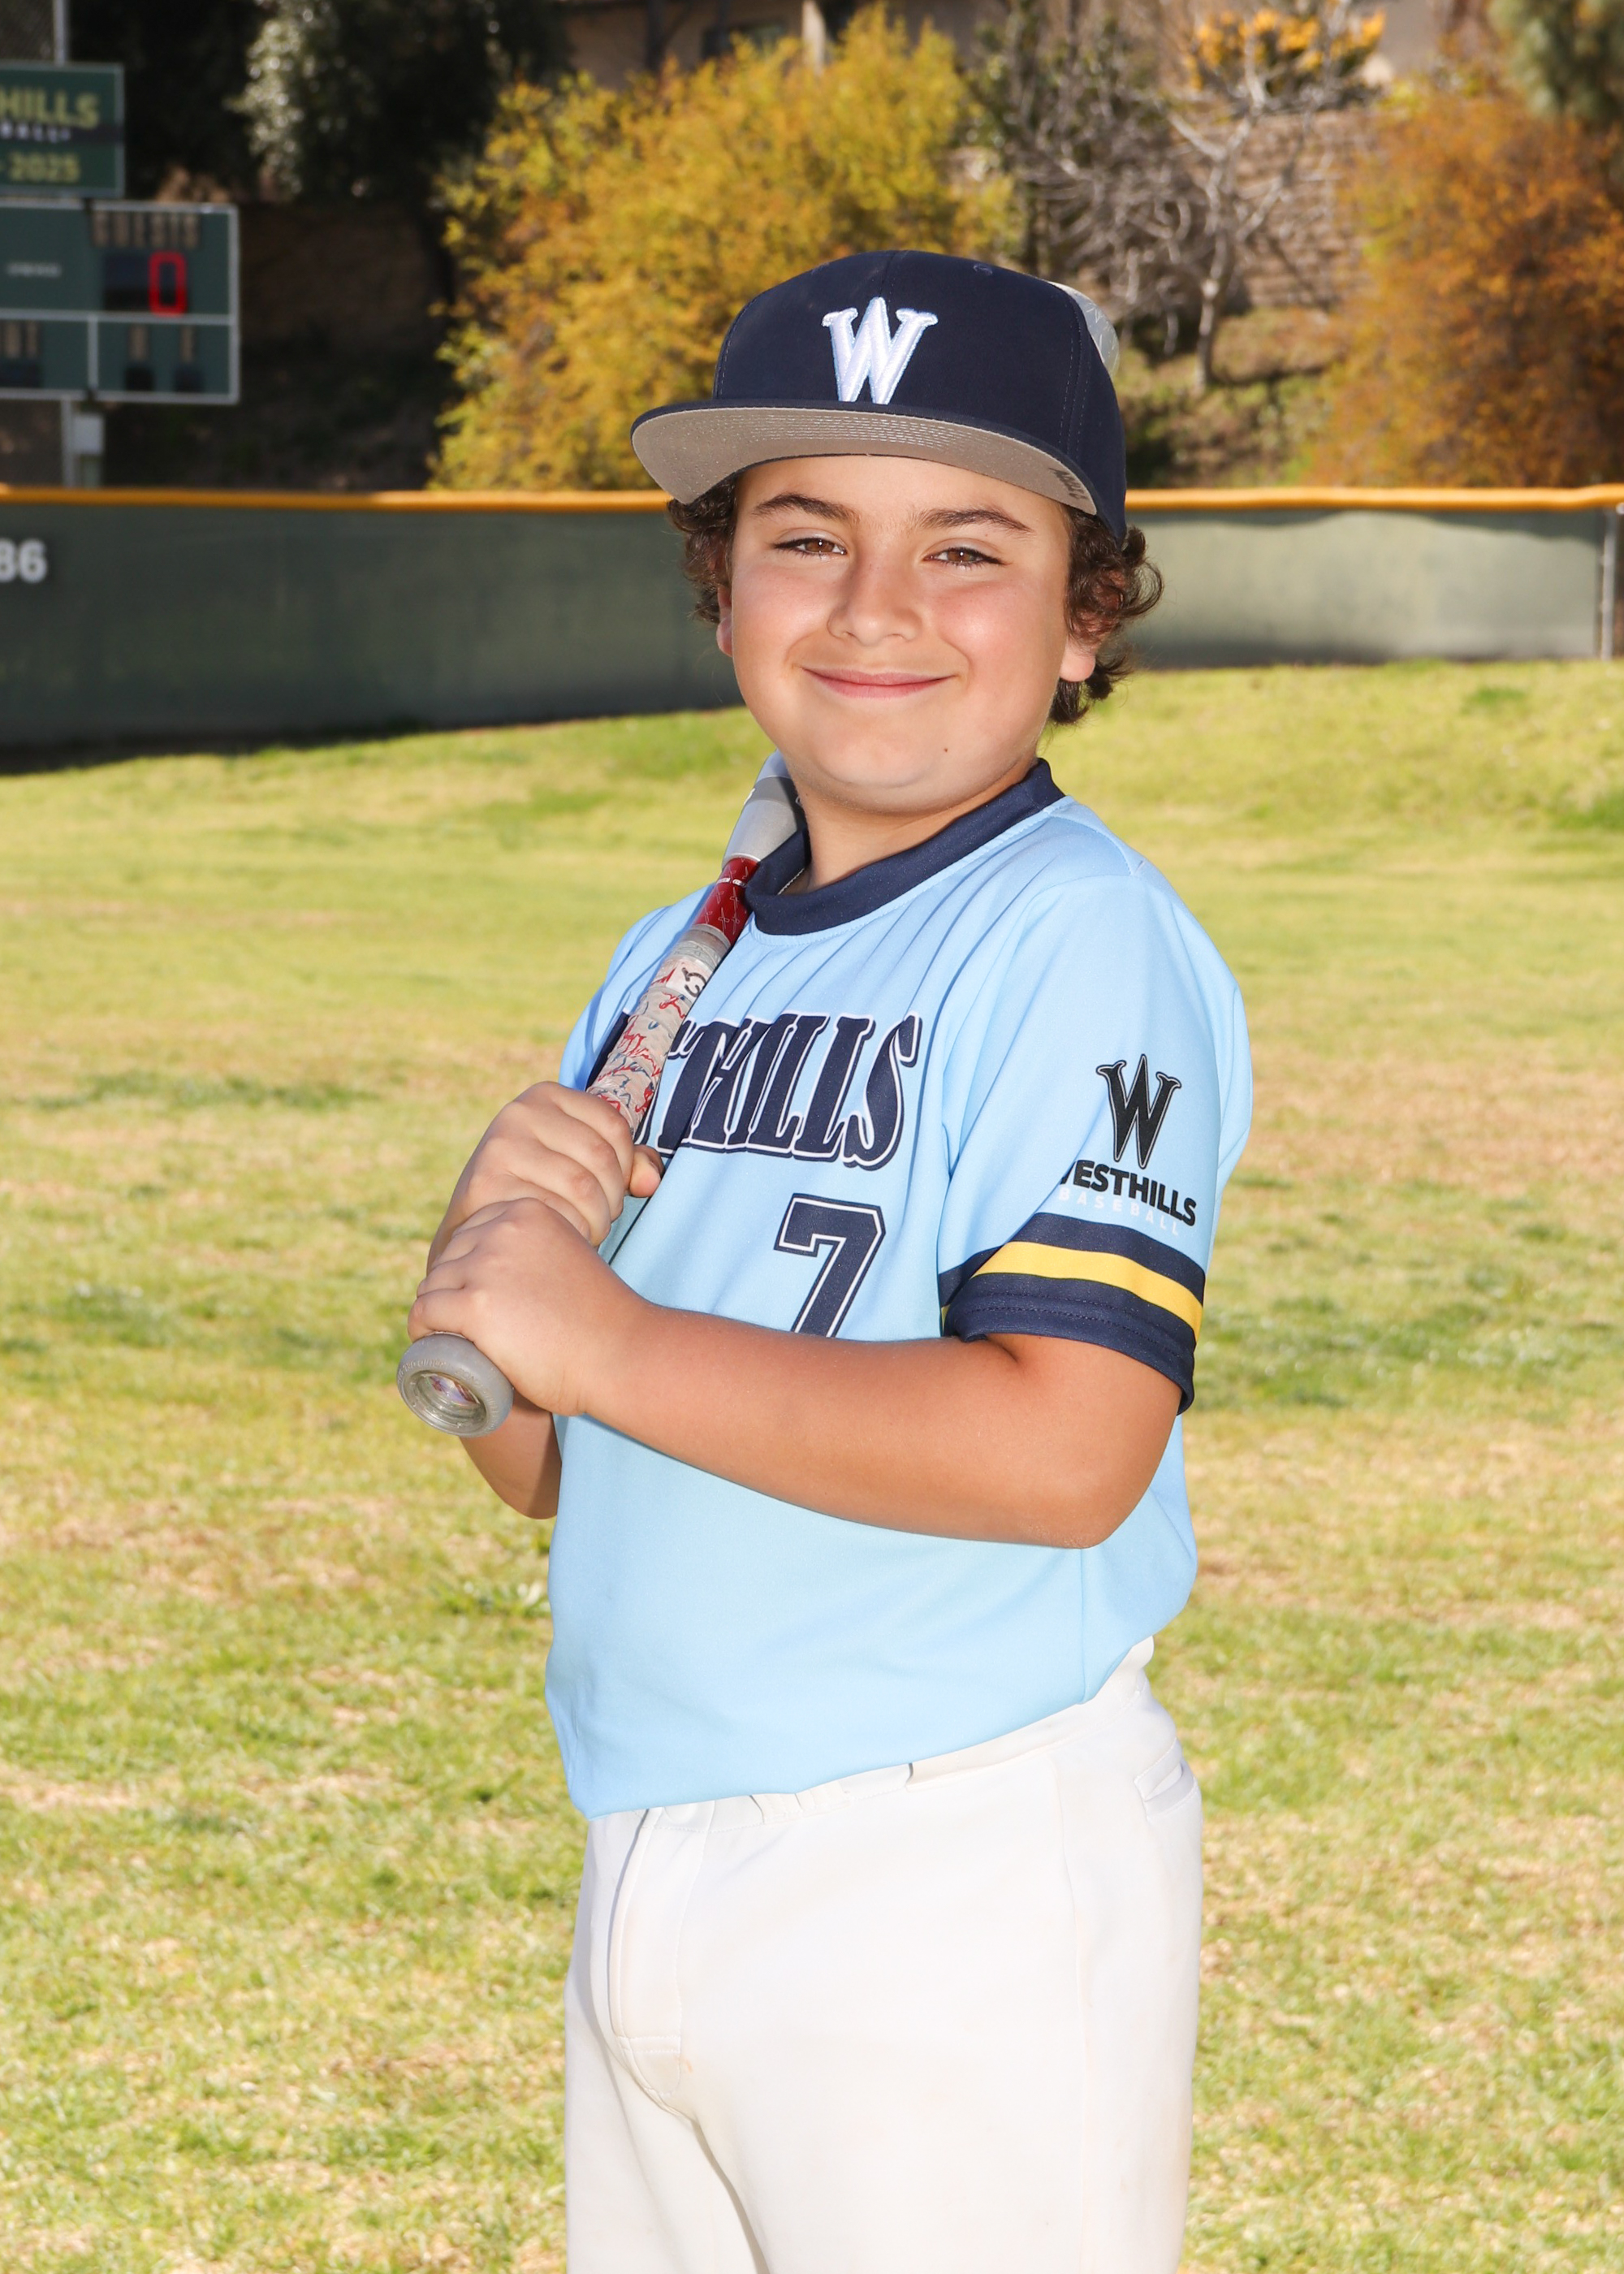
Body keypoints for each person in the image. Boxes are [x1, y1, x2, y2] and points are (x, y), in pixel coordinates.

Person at [408, 249, 1252, 2274]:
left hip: (947, 1863)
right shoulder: (681, 945)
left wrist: (604, 1336)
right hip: (654, 1829)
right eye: (804, 536)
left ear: (1085, 613)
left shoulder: (1077, 937)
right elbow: (555, 1466)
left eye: (967, 546)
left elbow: (1069, 1447)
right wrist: (498, 1290)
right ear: (722, 586)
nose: (876, 606)